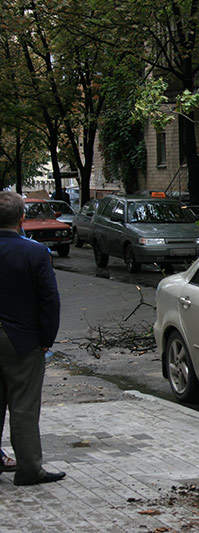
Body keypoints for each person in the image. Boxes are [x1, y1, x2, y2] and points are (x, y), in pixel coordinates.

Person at [0, 191, 65, 485]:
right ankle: (28, 469)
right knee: (24, 406)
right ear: (22, 218)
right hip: (23, 341)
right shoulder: (35, 253)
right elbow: (49, 300)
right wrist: (46, 339)